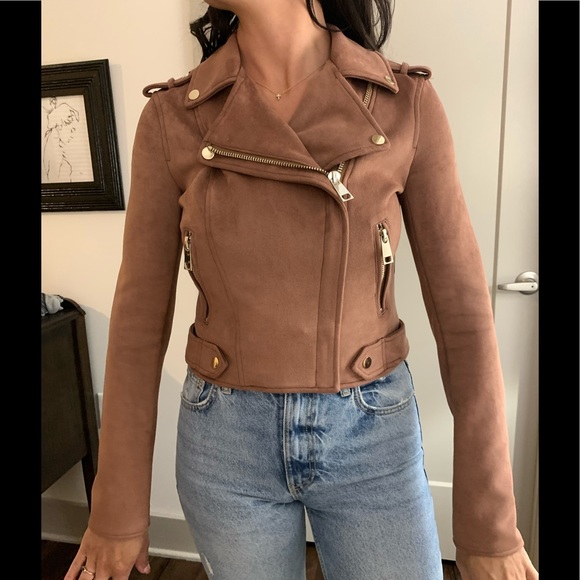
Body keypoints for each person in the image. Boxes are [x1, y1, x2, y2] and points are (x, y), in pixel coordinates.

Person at [65, 0, 539, 578]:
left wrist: (490, 526)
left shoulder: (404, 104)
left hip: (372, 435)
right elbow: (138, 321)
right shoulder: (173, 117)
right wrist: (116, 512)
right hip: (225, 443)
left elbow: (464, 318)